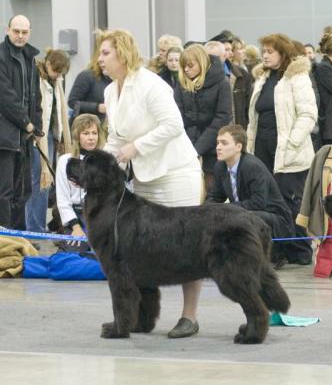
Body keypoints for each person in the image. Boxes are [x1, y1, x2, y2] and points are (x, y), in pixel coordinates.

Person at [97, 29, 203, 338]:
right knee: (141, 248)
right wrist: (101, 162)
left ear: (123, 54)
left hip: (175, 172)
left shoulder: (150, 84)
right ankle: (144, 317)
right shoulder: (109, 91)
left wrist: (136, 148)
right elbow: (116, 137)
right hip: (144, 176)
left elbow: (173, 125)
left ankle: (189, 316)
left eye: (106, 53)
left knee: (189, 245)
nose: (100, 59)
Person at [246, 33, 317, 266]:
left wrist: (292, 142)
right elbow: (253, 118)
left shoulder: (297, 77)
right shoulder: (261, 79)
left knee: (291, 203)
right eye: (263, 51)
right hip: (262, 150)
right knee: (269, 205)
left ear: (282, 53)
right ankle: (275, 251)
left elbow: (308, 114)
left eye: (269, 52)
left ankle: (299, 249)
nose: (264, 55)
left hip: (290, 152)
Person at [207, 124, 295, 256]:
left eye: (224, 143)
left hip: (275, 219)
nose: (218, 147)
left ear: (238, 147)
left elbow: (258, 203)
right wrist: (205, 210)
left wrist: (225, 209)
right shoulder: (220, 166)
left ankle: (271, 255)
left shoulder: (252, 166)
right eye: (218, 143)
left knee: (242, 216)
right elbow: (215, 196)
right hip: (244, 214)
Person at [0, 15, 42, 229]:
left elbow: (35, 95)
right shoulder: (0, 56)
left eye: (24, 32)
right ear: (8, 30)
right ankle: (5, 242)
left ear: (30, 33)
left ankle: (19, 238)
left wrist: (37, 125)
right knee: (3, 193)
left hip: (24, 138)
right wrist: (27, 123)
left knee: (23, 191)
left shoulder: (31, 57)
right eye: (16, 31)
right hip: (5, 138)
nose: (20, 35)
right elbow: (5, 97)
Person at [25, 49, 72, 233]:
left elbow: (59, 109)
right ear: (48, 64)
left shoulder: (57, 80)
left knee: (46, 180)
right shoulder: (36, 76)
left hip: (51, 135)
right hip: (37, 136)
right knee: (39, 179)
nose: (58, 75)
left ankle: (37, 225)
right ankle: (34, 227)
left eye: (61, 73)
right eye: (56, 71)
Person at [174, 44, 232, 191]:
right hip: (186, 143)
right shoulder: (182, 84)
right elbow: (178, 115)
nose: (186, 70)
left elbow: (222, 117)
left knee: (212, 188)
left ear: (201, 63)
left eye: (190, 66)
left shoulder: (222, 84)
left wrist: (199, 147)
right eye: (184, 66)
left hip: (214, 146)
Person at [55, 114, 104, 242]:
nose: (91, 138)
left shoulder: (105, 160)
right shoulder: (64, 161)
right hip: (75, 216)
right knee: (74, 251)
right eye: (86, 133)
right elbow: (62, 199)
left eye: (94, 133)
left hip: (100, 217)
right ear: (77, 136)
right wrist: (75, 227)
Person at [67, 35, 112, 122]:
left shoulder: (113, 80)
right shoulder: (86, 76)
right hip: (84, 127)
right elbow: (72, 102)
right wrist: (97, 107)